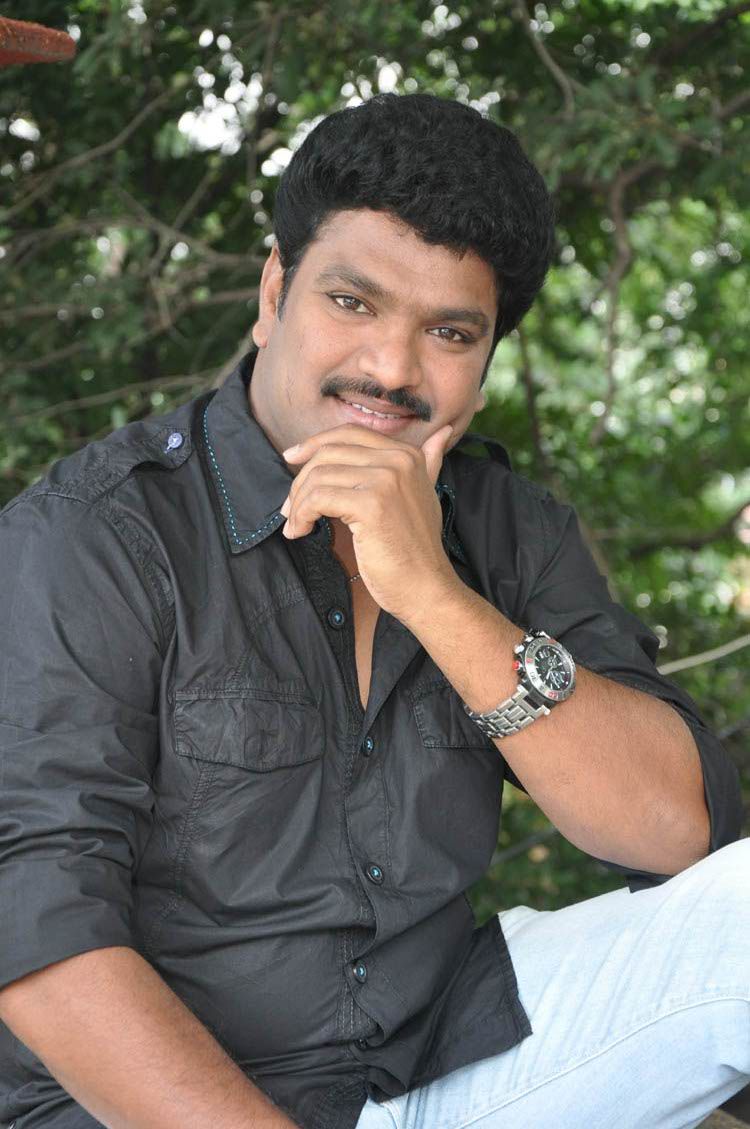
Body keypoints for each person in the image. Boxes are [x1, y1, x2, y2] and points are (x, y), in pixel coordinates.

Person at [0, 91, 746, 1129]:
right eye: (352, 302)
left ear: (486, 359)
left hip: (438, 1064)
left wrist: (435, 593)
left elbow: (676, 832)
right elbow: (39, 935)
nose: (391, 369)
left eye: (449, 331)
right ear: (274, 292)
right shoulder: (97, 534)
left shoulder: (507, 526)